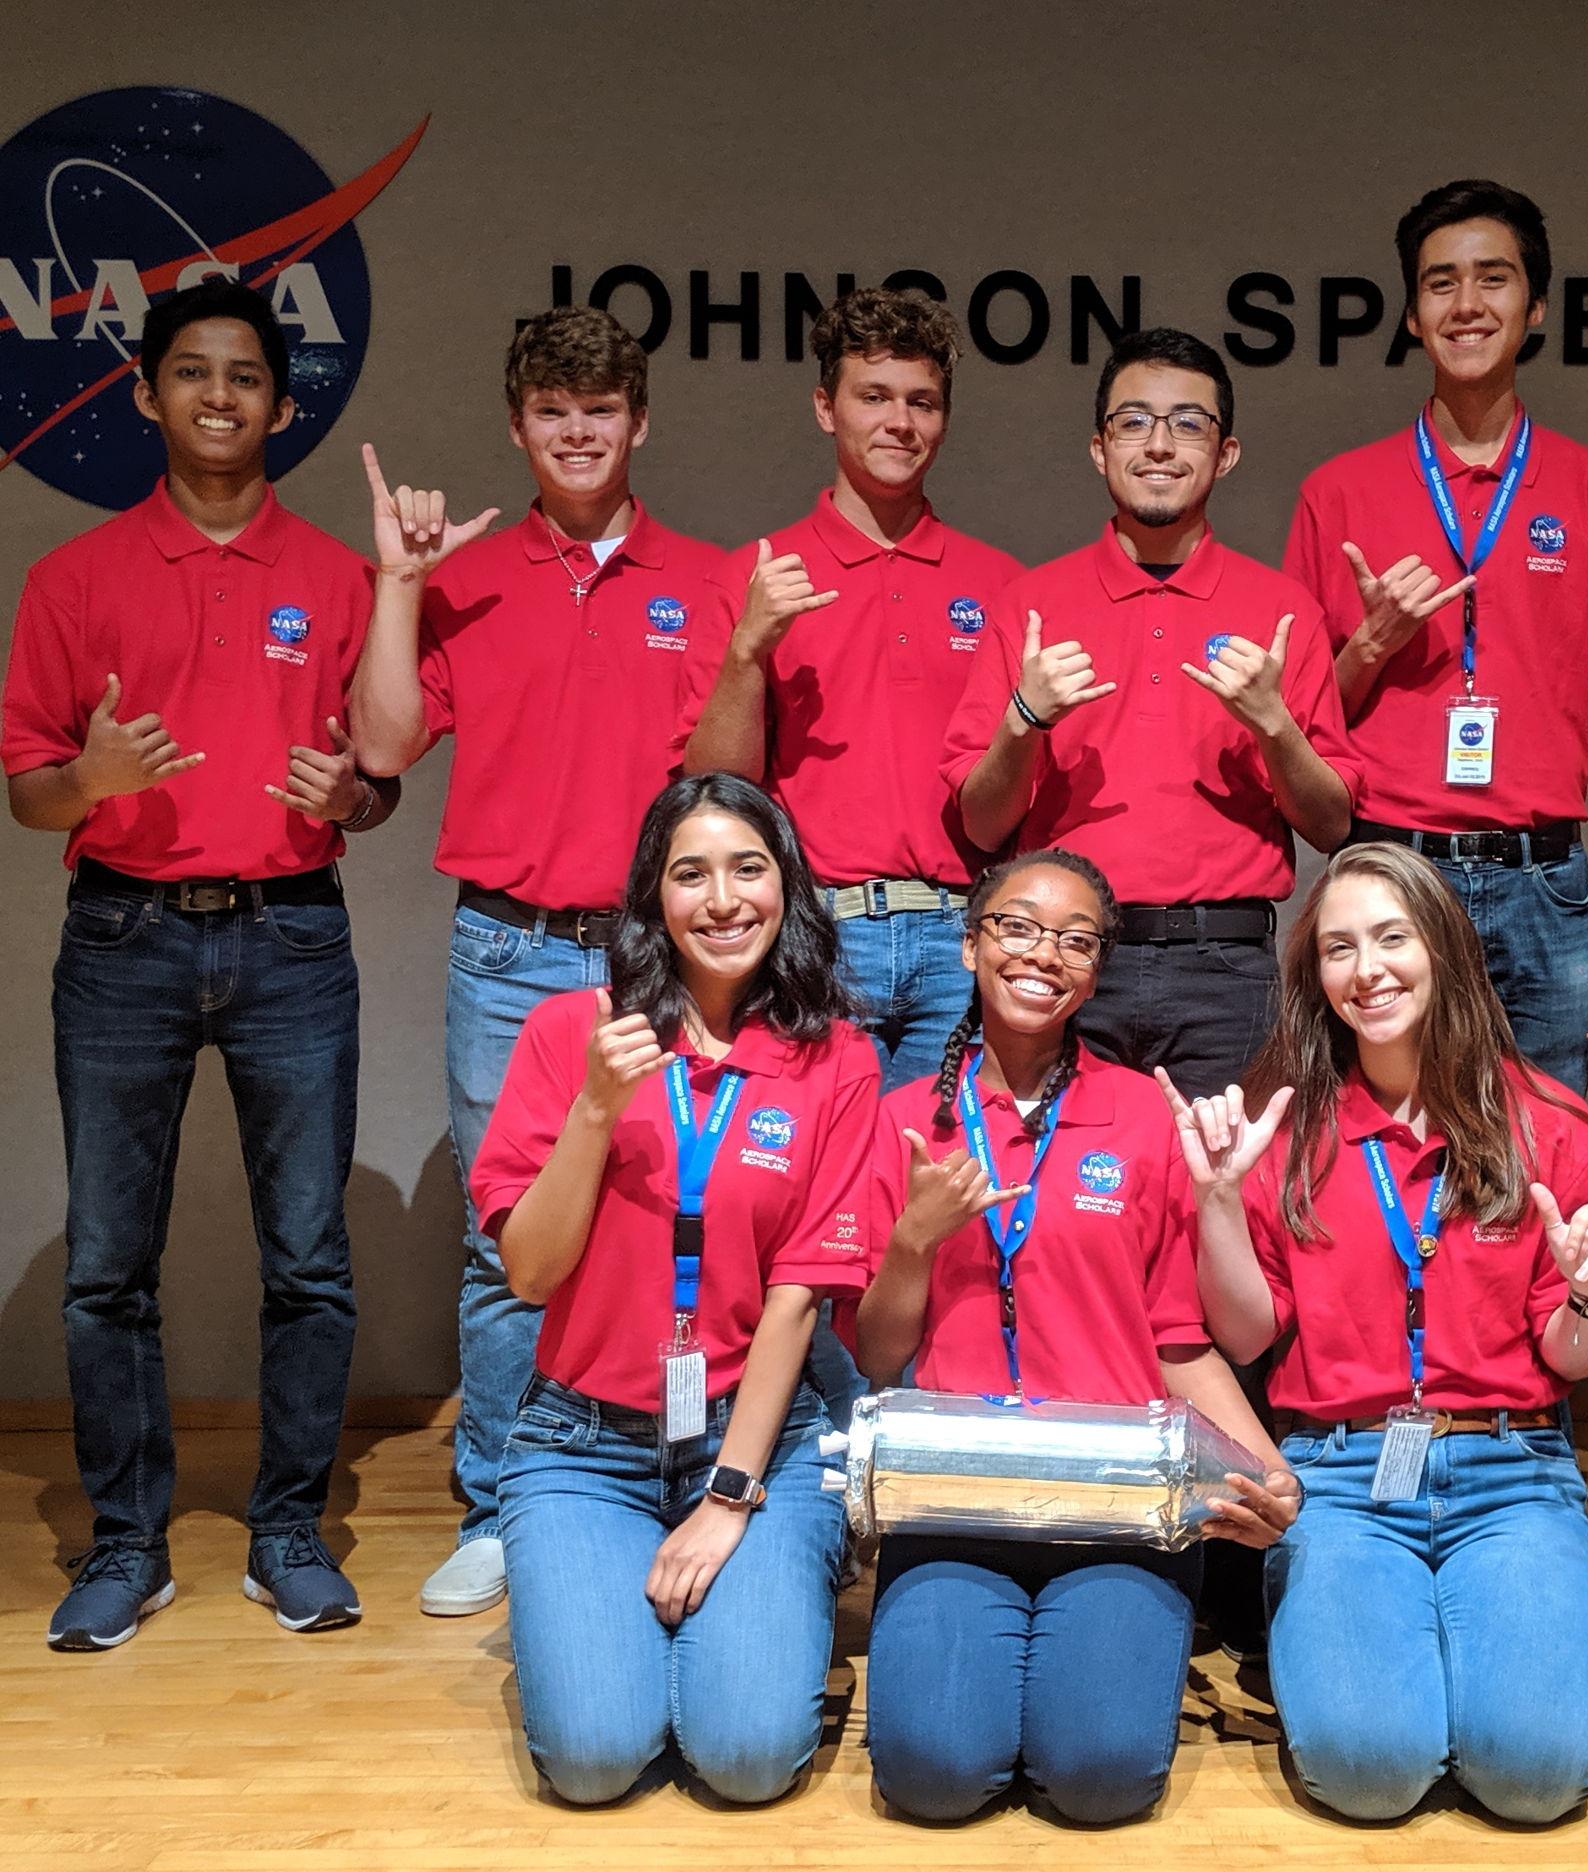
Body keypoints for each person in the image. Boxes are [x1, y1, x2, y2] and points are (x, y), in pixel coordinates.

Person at [3, 277, 398, 1648]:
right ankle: (126, 1543)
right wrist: (91, 778)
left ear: (281, 406)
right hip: (123, 935)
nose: (218, 395)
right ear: (146, 394)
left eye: (244, 376)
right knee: (107, 1265)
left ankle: (288, 1531)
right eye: (191, 371)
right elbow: (29, 791)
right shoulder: (74, 579)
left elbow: (378, 783)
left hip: (294, 933)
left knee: (311, 1260)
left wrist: (355, 797)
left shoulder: (338, 580)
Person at [349, 306, 729, 1617]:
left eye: (600, 408)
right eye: (553, 410)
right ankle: (502, 1509)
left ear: (639, 421)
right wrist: (399, 583)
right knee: (501, 1239)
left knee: (680, 1222)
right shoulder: (462, 578)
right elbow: (382, 747)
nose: (578, 431)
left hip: (660, 959)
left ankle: (673, 1486)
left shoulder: (708, 580)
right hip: (507, 949)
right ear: (518, 427)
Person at [1182, 842, 1588, 1822]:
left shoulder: (1548, 1123)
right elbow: (1247, 1333)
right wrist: (1218, 1199)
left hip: (1512, 1470)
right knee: (1369, 1776)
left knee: (1534, 1781)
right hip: (1341, 1475)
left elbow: (1569, 1357)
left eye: (1392, 938)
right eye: (1338, 947)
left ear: (1442, 948)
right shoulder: (1286, 1126)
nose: (1368, 970)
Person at [858, 847, 1299, 1825]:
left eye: (1074, 939)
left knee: (1100, 1779)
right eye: (1016, 927)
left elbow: (1178, 1338)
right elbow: (878, 1355)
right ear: (970, 943)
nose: (1042, 954)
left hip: (1118, 1503)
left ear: (1096, 971)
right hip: (956, 1500)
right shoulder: (907, 1122)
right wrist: (913, 1242)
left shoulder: (1142, 1115)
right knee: (933, 1776)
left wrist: (1263, 1463)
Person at [467, 773, 876, 1805]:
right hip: (582, 1444)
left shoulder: (837, 1058)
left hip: (755, 1438)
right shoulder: (573, 1032)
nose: (723, 899)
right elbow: (530, 1272)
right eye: (690, 874)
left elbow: (799, 1296)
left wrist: (731, 1498)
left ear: (787, 886)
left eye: (749, 868)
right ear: (653, 895)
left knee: (747, 1760)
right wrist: (595, 1109)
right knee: (594, 1760)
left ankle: (760, 1584)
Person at [1284, 180, 1588, 1097]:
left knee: (1546, 1143)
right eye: (1440, 283)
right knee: (1390, 1135)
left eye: (1492, 279)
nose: (1466, 304)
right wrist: (1370, 644)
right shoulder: (1339, 491)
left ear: (1534, 307)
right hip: (1393, 874)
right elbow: (1299, 725)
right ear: (1411, 316)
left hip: (1546, 884)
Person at [942, 326, 1356, 1101]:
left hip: (1225, 969)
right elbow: (983, 826)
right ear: (1099, 449)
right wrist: (1023, 719)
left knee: (1228, 1175)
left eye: (1187, 423)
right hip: (1065, 960)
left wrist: (1274, 725)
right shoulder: (1032, 606)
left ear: (1224, 454)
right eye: (1133, 421)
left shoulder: (1280, 610)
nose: (1159, 444)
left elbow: (1331, 826)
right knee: (1055, 1173)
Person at [684, 287, 1021, 1084]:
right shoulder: (755, 573)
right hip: (818, 930)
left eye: (921, 402)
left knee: (942, 1159)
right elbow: (714, 788)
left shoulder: (1001, 584)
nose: (899, 422)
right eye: (873, 396)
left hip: (961, 934)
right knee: (807, 1159)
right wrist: (748, 651)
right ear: (825, 408)